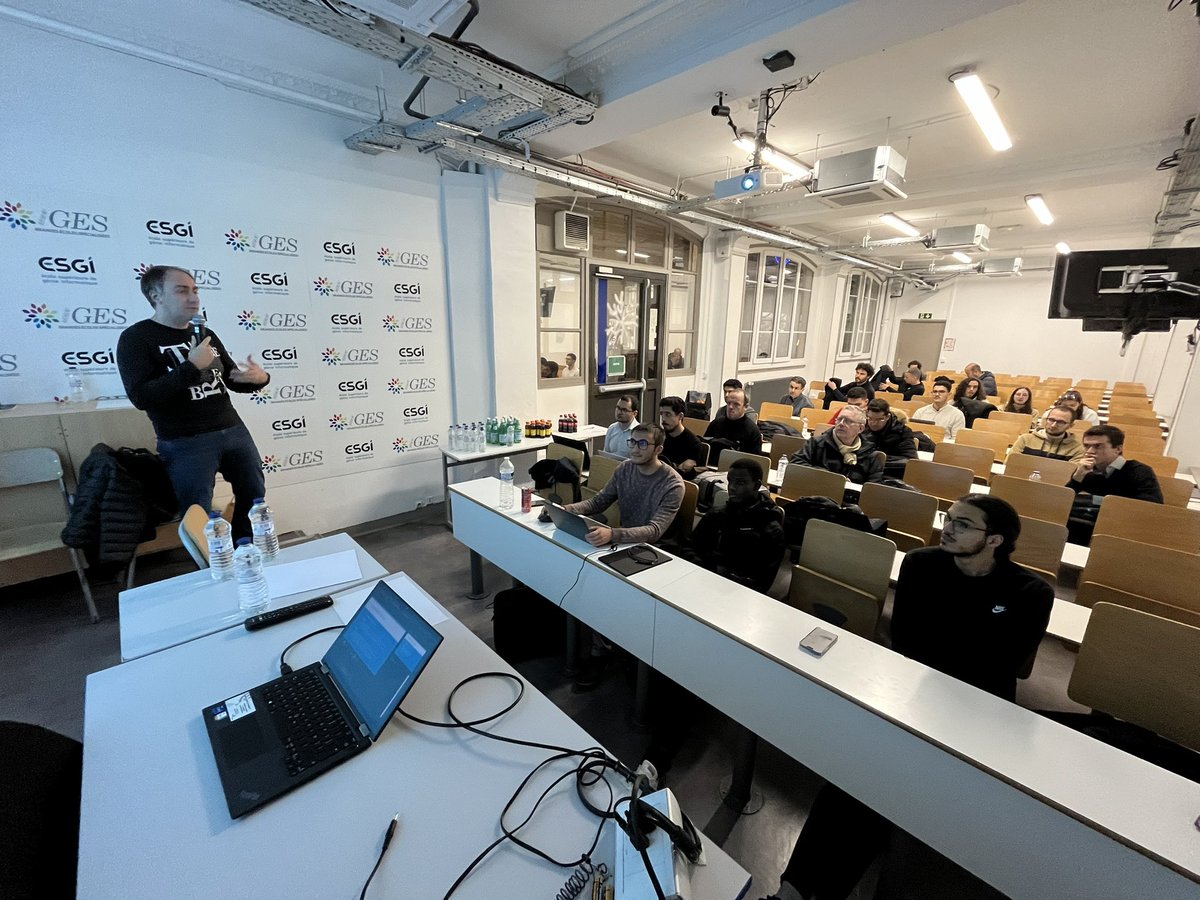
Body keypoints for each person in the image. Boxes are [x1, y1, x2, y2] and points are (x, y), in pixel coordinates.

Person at [765, 496, 1052, 900]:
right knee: (855, 779)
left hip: (979, 714)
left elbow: (1003, 662)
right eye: (948, 519)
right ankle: (792, 891)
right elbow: (911, 644)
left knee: (886, 785)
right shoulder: (921, 565)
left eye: (964, 524)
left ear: (996, 540)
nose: (948, 528)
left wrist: (949, 650)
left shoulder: (1030, 592)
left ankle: (805, 890)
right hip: (914, 693)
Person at [633, 459, 785, 790]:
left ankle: (658, 759)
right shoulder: (720, 514)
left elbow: (760, 583)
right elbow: (691, 548)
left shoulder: (769, 526)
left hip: (738, 610)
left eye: (741, 483)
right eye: (731, 482)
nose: (733, 488)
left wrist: (713, 571)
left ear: (758, 485)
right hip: (702, 594)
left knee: (685, 673)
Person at [117, 265, 269, 541]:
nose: (193, 297)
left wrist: (258, 379)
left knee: (253, 492)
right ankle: (211, 565)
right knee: (197, 511)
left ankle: (247, 548)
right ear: (155, 295)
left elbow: (232, 379)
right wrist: (189, 368)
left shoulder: (203, 332)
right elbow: (141, 396)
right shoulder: (135, 339)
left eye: (195, 290)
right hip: (185, 442)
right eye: (182, 290)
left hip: (232, 430)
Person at [565, 423, 684, 548]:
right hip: (626, 540)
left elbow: (654, 531)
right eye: (633, 442)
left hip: (656, 548)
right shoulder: (625, 468)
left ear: (658, 450)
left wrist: (613, 534)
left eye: (642, 444)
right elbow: (598, 502)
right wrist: (566, 509)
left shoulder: (673, 484)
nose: (635, 449)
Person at [1066, 424, 1163, 545]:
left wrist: (1099, 502)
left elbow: (1153, 508)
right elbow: (1064, 501)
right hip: (1085, 527)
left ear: (1118, 449)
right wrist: (1077, 477)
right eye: (1087, 446)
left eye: (1098, 446)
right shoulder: (1085, 470)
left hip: (1123, 532)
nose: (1089, 452)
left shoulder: (1139, 471)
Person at [791, 405, 883, 484]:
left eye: (848, 421)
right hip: (817, 492)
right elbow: (795, 463)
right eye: (839, 419)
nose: (841, 424)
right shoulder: (817, 443)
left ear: (860, 428)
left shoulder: (870, 454)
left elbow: (872, 488)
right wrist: (829, 477)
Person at [860, 398, 918, 477]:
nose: (873, 423)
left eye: (879, 419)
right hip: (862, 471)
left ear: (887, 416)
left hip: (889, 473)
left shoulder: (902, 432)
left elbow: (910, 461)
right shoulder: (861, 427)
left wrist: (877, 460)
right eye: (870, 418)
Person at [1007, 405, 1085, 462]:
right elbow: (1009, 463)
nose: (1054, 425)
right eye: (1051, 420)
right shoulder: (1025, 439)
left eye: (1060, 422)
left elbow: (1071, 475)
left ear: (1071, 425)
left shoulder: (1077, 448)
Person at [704, 389, 763, 456]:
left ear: (745, 407)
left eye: (736, 404)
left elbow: (754, 460)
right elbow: (704, 448)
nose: (730, 407)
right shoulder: (716, 423)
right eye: (729, 403)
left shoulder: (752, 431)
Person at [658, 395, 705, 478]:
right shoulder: (659, 436)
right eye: (662, 414)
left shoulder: (694, 444)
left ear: (680, 416)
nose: (663, 419)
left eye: (668, 414)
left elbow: (683, 473)